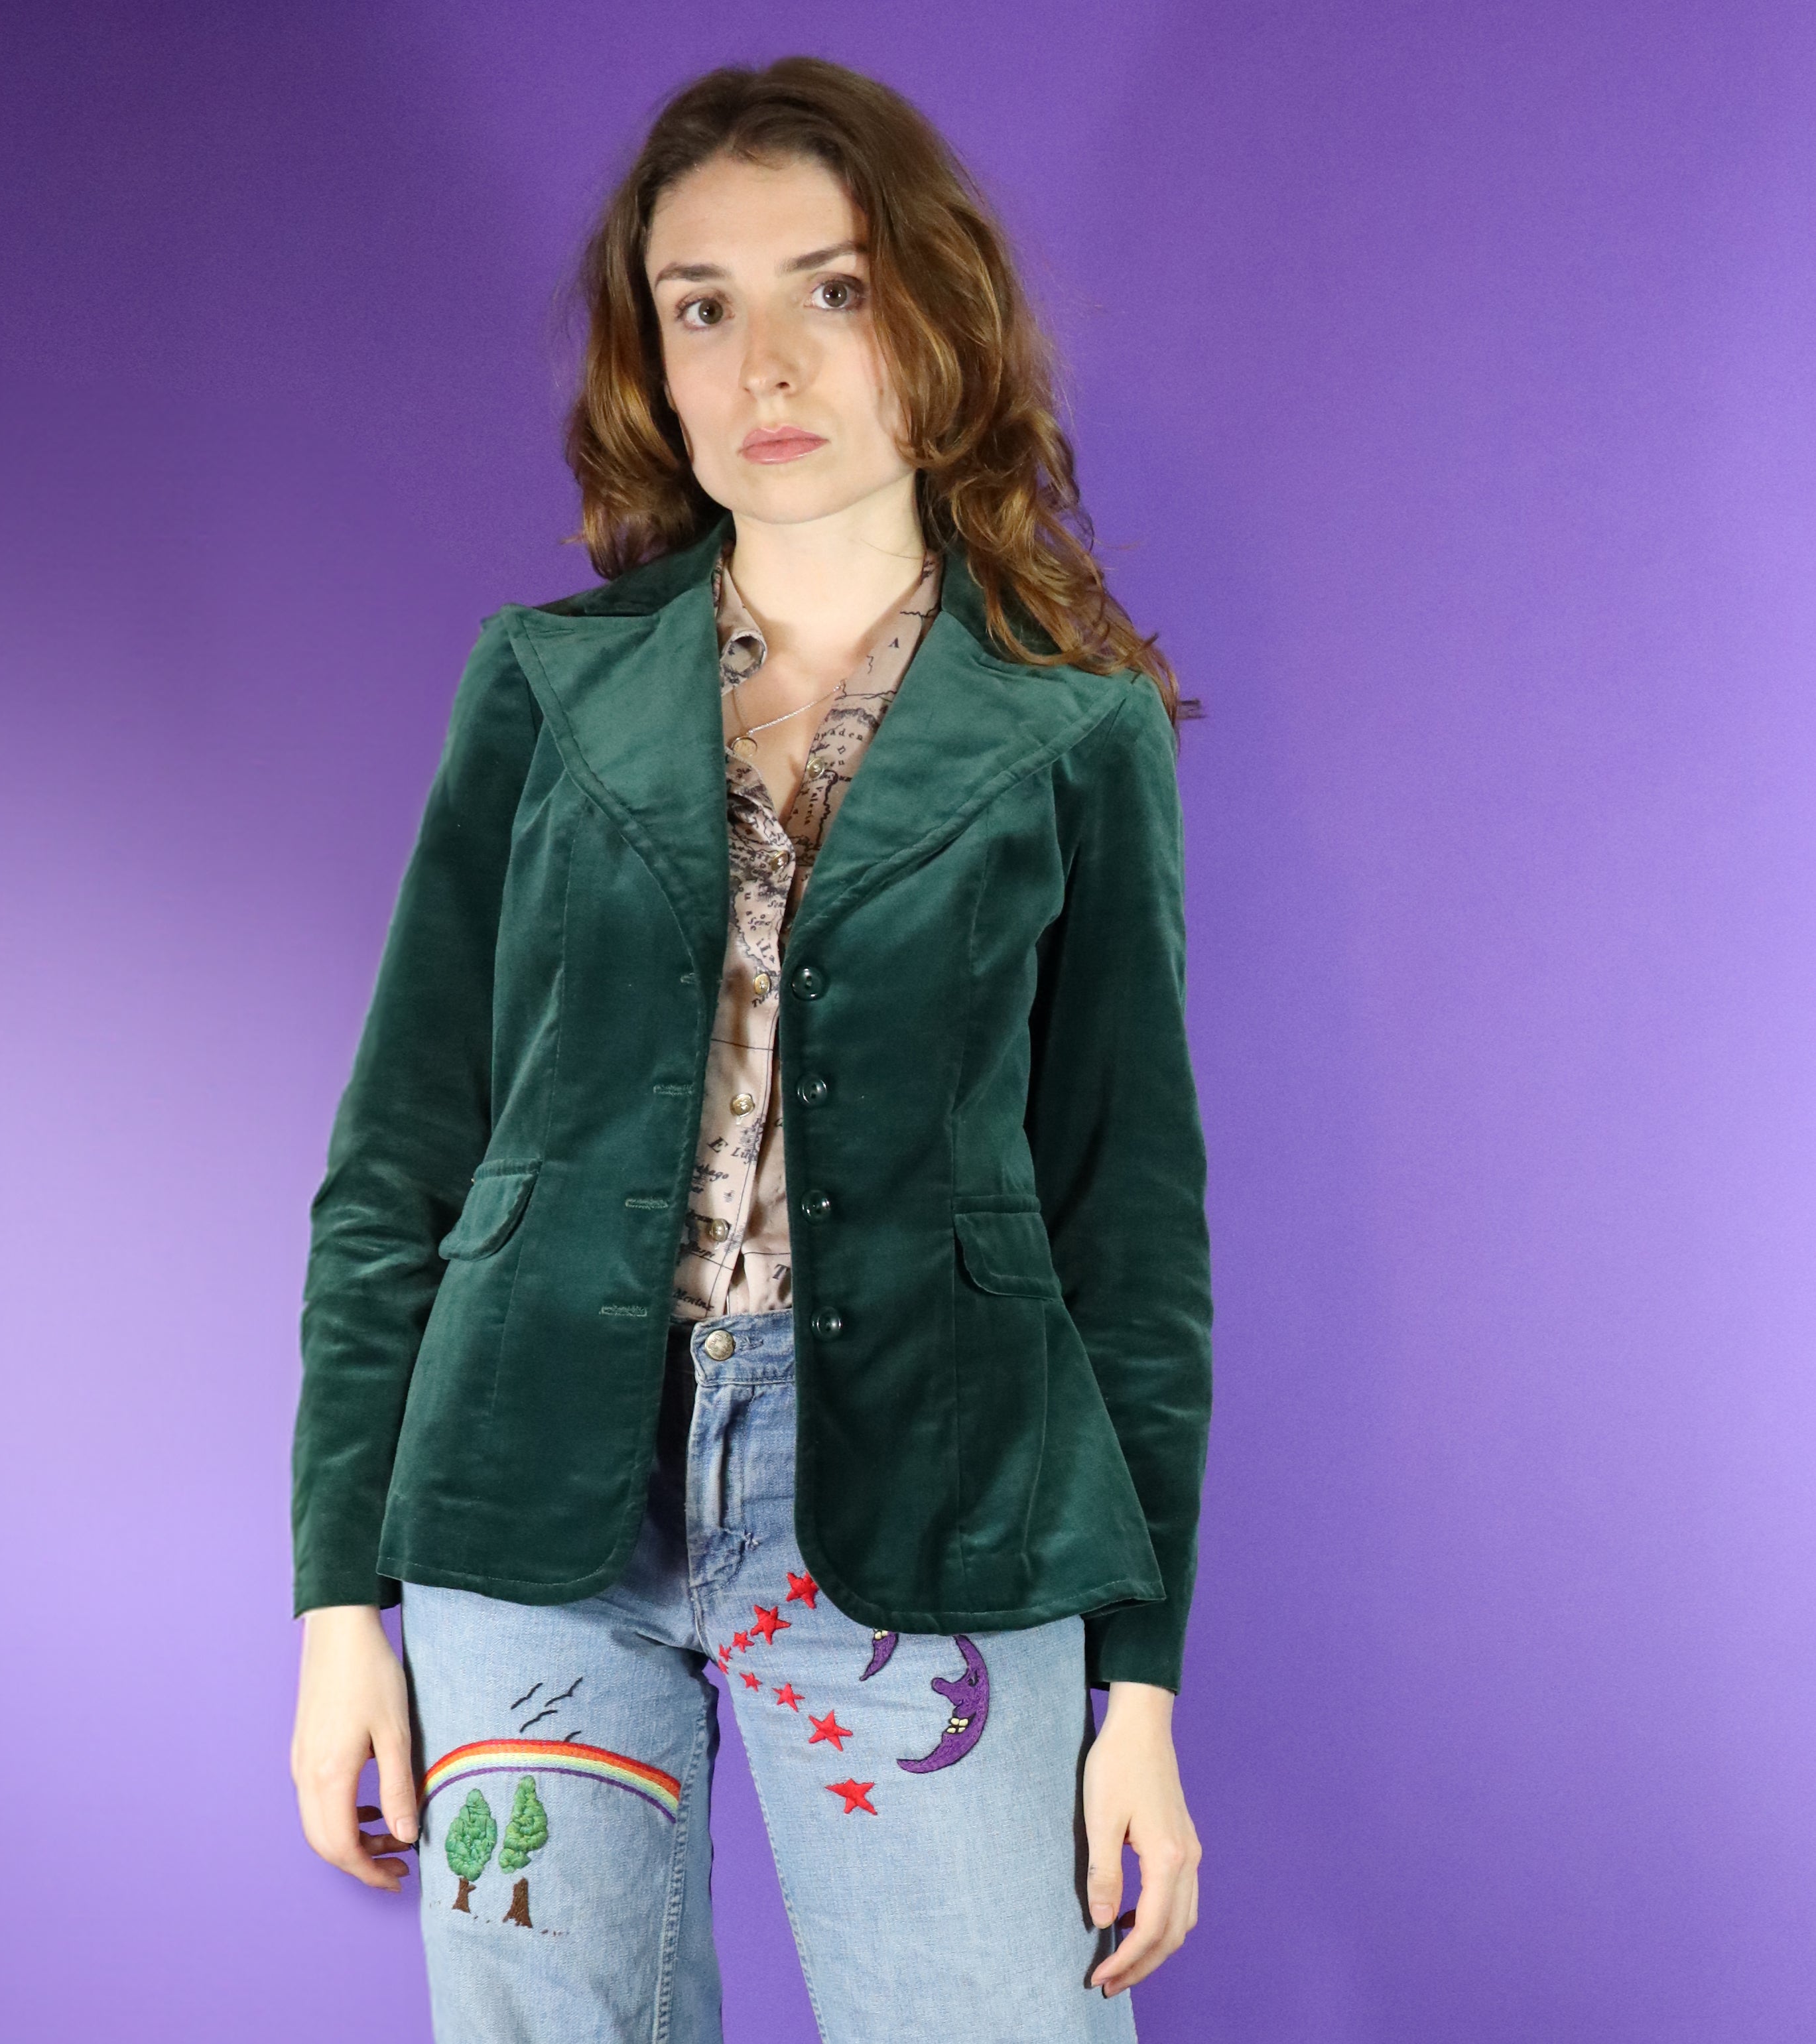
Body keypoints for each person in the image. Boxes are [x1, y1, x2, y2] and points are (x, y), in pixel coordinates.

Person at [287, 54, 1212, 2043]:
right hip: (529, 1483)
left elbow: (1126, 1228)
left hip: (934, 1492)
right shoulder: (544, 686)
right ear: (654, 354)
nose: (765, 363)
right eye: (701, 305)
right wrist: (338, 1604)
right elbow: (399, 1162)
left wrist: (1135, 1686)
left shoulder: (1073, 728)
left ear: (938, 319)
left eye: (833, 289)